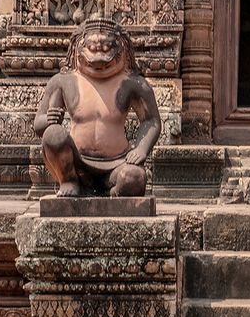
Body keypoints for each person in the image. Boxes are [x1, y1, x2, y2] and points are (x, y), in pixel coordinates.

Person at [33, 18, 161, 197]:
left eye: (107, 48)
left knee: (134, 178)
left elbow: (151, 120)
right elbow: (38, 126)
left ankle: (111, 191)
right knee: (53, 134)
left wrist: (140, 149)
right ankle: (69, 181)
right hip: (75, 162)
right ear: (77, 47)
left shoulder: (133, 83)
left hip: (118, 163)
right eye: (92, 49)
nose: (99, 58)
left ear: (122, 48)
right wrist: (49, 120)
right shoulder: (62, 81)